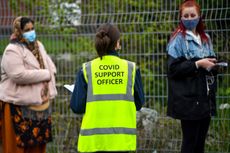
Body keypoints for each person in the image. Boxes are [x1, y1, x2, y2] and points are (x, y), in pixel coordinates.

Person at [70, 23, 145, 153]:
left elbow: (77, 107)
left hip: (93, 143)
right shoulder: (131, 69)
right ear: (117, 44)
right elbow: (138, 104)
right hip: (121, 143)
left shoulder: (86, 69)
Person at [166, 0, 219, 153]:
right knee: (190, 142)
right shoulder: (177, 40)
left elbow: (211, 63)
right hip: (188, 100)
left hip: (205, 97)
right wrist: (197, 64)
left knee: (200, 143)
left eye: (193, 15)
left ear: (199, 16)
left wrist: (213, 66)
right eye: (186, 16)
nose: (190, 19)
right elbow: (173, 69)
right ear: (181, 18)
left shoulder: (206, 38)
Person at [0, 16, 57, 153]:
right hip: (18, 107)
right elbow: (18, 75)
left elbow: (52, 68)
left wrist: (48, 77)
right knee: (17, 147)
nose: (31, 32)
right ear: (19, 31)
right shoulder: (12, 50)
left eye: (32, 29)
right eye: (27, 30)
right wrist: (45, 74)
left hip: (39, 106)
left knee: (38, 146)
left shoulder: (39, 46)